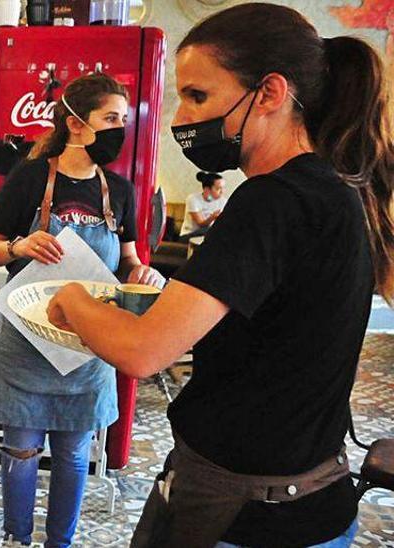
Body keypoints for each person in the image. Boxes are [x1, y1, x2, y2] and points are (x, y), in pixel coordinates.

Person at [46, 3, 393, 546]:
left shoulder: (271, 202)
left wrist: (69, 297)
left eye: (199, 96)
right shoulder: (337, 189)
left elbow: (144, 351)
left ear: (272, 93)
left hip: (246, 516)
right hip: (317, 502)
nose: (180, 118)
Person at [0, 72, 164, 547]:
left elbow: (131, 261)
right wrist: (19, 246)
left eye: (123, 119)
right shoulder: (31, 177)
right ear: (76, 124)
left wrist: (144, 275)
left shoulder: (119, 190)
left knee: (75, 455)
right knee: (20, 451)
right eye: (111, 118)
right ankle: (17, 539)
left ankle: (61, 543)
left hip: (87, 343)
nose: (120, 128)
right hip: (28, 342)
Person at [180, 171, 226, 237]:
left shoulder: (223, 201)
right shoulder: (193, 199)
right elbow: (201, 224)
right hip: (189, 234)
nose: (222, 191)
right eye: (218, 189)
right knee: (211, 231)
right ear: (207, 189)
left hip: (209, 236)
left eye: (223, 188)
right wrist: (213, 217)